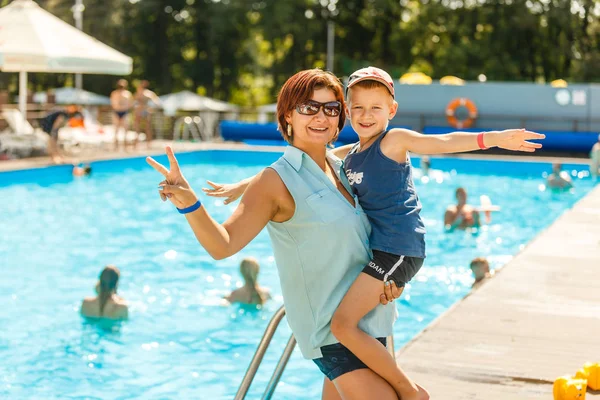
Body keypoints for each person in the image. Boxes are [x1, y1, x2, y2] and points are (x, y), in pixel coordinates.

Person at [201, 66, 544, 399]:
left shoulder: (393, 141)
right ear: (348, 112)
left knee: (342, 326)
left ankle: (410, 390)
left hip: (398, 250)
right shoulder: (348, 158)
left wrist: (494, 139)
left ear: (391, 110)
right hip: (383, 259)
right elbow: (300, 165)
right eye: (358, 108)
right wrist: (244, 186)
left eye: (375, 108)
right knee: (344, 329)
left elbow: (440, 142)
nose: (366, 115)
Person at [148, 69, 404, 400]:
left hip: (373, 323)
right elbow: (222, 245)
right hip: (333, 334)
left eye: (331, 108)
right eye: (308, 107)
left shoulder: (343, 168)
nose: (321, 116)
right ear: (287, 115)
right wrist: (189, 202)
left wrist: (388, 279)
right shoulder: (274, 182)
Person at [133, 80, 161, 149]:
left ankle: (148, 144)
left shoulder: (148, 93)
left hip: (145, 111)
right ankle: (137, 144)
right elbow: (134, 103)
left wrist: (151, 108)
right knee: (137, 128)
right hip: (139, 111)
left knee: (147, 128)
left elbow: (157, 102)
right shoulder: (138, 93)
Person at [110, 79, 133, 151]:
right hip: (116, 111)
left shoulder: (127, 94)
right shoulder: (114, 93)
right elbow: (112, 103)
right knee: (116, 129)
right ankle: (116, 146)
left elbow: (130, 104)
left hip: (124, 112)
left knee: (125, 129)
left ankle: (125, 146)